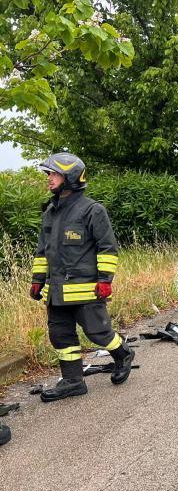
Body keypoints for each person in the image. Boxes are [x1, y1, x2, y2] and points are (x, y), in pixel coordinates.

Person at [30, 153, 136, 402]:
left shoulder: (92, 210)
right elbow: (42, 251)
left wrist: (105, 280)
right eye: (49, 174)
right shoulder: (50, 213)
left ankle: (123, 354)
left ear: (70, 177)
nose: (49, 179)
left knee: (97, 333)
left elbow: (107, 248)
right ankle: (73, 381)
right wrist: (37, 280)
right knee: (61, 336)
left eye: (54, 174)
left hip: (86, 290)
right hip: (55, 292)